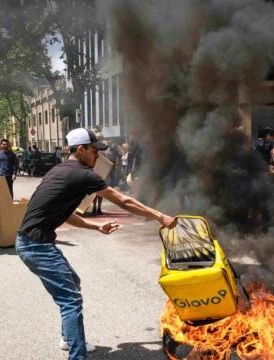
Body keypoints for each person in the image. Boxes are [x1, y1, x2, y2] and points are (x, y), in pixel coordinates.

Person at [16, 128, 176, 360]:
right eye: (93, 150)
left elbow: (65, 213)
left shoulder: (60, 171)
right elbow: (124, 200)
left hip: (31, 243)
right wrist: (160, 217)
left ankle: (67, 338)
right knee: (70, 300)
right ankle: (76, 355)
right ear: (80, 150)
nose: (97, 156)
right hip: (36, 246)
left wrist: (96, 226)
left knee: (73, 283)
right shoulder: (82, 174)